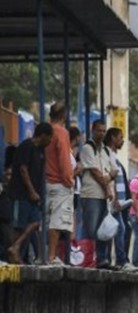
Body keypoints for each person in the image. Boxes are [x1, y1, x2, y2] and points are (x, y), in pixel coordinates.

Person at [7, 123, 53, 264]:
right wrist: (32, 191)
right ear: (43, 135)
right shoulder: (26, 147)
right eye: (50, 137)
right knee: (19, 225)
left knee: (35, 222)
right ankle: (14, 253)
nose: (50, 141)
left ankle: (15, 247)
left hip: (34, 197)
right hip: (21, 194)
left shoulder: (40, 151)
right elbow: (23, 169)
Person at [80, 120, 118, 269]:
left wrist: (108, 179)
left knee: (104, 230)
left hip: (104, 197)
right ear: (92, 130)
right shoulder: (87, 148)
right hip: (92, 195)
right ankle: (88, 259)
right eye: (99, 130)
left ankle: (102, 259)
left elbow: (114, 170)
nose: (101, 133)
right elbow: (95, 172)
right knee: (91, 229)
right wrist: (107, 187)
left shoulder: (106, 150)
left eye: (103, 131)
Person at [104, 128, 137, 272]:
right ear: (113, 138)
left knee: (119, 229)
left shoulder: (114, 157)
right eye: (120, 137)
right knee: (118, 230)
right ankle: (119, 260)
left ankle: (115, 260)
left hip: (118, 202)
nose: (123, 141)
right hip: (112, 201)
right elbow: (110, 179)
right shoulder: (106, 155)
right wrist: (115, 198)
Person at [45, 103, 74, 264]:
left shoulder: (45, 130)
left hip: (46, 181)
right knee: (56, 221)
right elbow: (64, 159)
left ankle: (43, 255)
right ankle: (51, 256)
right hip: (59, 182)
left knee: (46, 220)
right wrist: (69, 180)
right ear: (65, 115)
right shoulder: (61, 133)